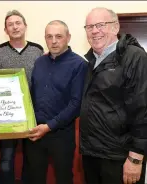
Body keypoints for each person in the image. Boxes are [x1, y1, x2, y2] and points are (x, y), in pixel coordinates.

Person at [80, 7, 147, 184]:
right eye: (89, 27)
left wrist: (136, 157)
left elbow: (143, 110)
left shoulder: (134, 57)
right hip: (92, 153)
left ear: (115, 27)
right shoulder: (91, 61)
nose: (94, 31)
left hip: (119, 157)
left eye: (100, 25)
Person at [27, 20, 87, 184]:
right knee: (35, 176)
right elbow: (31, 96)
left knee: (63, 178)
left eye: (58, 36)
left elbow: (76, 104)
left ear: (68, 37)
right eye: (49, 36)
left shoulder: (79, 65)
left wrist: (49, 126)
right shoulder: (39, 62)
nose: (53, 41)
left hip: (61, 135)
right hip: (35, 132)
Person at [0, 10, 44, 184]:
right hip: (6, 116)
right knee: (6, 159)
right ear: (5, 30)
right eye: (10, 24)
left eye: (18, 23)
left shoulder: (38, 50)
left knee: (31, 159)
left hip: (32, 115)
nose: (15, 27)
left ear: (25, 26)